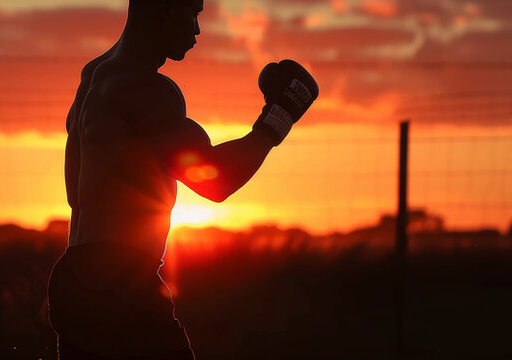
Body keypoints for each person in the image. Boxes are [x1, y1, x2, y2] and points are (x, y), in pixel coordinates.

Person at [47, 0, 318, 358]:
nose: (197, 30)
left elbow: (74, 192)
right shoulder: (146, 89)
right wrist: (277, 119)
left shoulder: (93, 76)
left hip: (74, 276)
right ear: (164, 9)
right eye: (193, 13)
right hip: (119, 283)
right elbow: (216, 181)